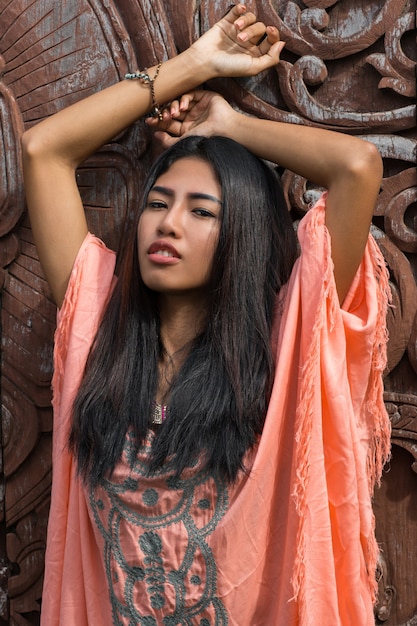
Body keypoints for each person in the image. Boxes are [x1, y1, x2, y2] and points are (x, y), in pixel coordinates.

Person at [21, 4, 391, 625]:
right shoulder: (98, 329)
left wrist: (229, 127)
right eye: (159, 203)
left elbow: (356, 169)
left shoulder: (284, 343)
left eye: (201, 211)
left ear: (239, 234)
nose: (167, 223)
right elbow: (42, 151)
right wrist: (193, 64)